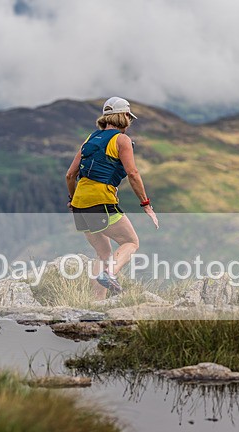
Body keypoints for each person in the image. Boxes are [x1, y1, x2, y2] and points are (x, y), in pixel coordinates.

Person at [65, 96, 158, 299]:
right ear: (124, 116)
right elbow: (132, 173)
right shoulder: (121, 140)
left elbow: (70, 175)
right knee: (131, 242)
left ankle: (96, 303)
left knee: (103, 253)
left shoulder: (89, 139)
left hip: (80, 203)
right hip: (100, 200)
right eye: (128, 117)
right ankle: (109, 274)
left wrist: (73, 200)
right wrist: (146, 204)